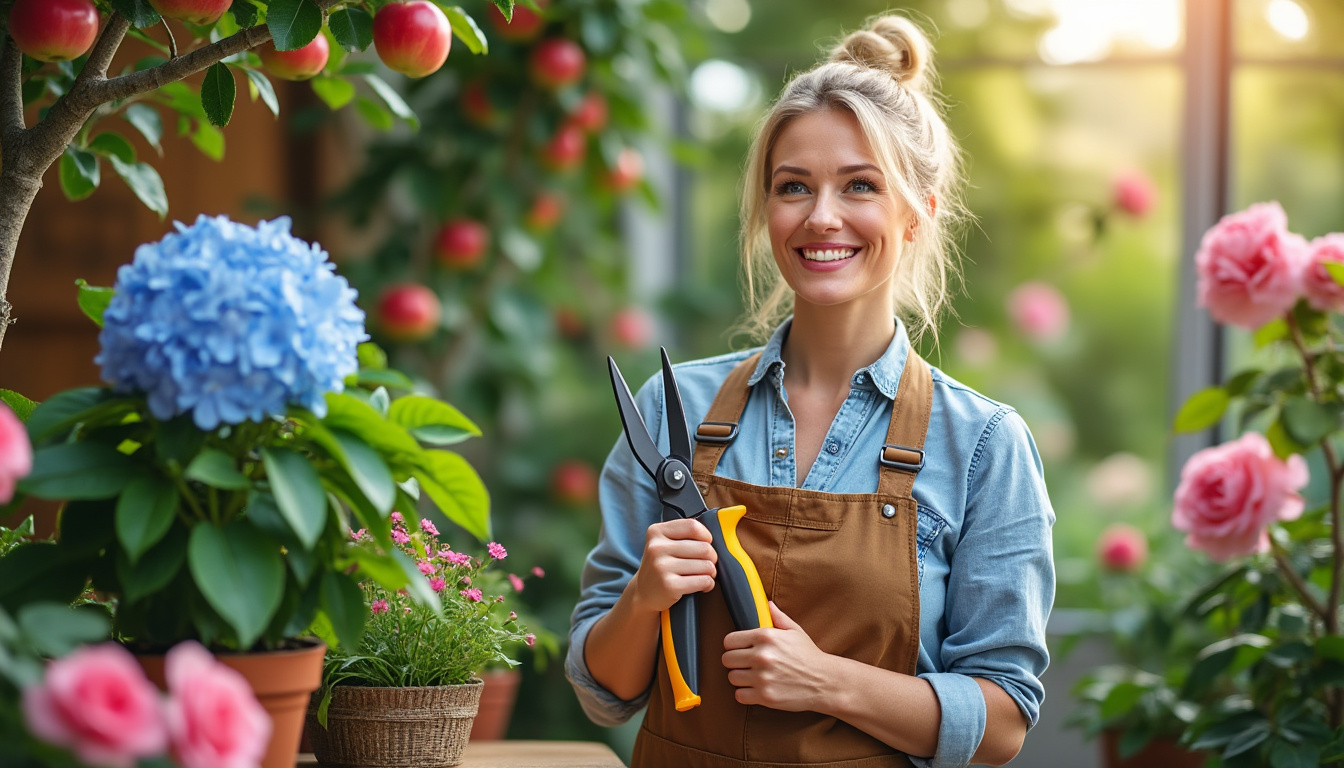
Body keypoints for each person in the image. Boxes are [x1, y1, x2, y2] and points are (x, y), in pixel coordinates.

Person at [566, 13, 1055, 768]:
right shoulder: (673, 414)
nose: (821, 216)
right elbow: (604, 693)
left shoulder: (984, 444)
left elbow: (1001, 725)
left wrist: (825, 681)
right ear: (768, 214)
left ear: (918, 213)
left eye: (860, 185)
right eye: (793, 187)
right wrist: (643, 599)